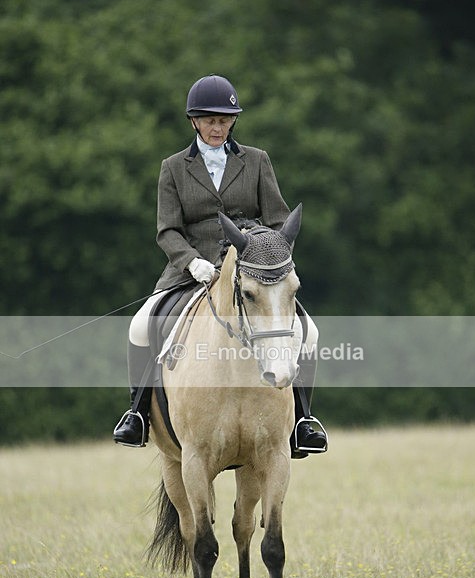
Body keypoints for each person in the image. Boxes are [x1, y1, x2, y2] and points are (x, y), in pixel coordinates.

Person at [113, 74, 327, 456]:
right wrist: (191, 261)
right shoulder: (173, 167)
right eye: (210, 120)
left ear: (233, 121)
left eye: (225, 120)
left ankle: (302, 420)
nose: (218, 128)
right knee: (141, 325)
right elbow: (167, 230)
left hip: (250, 269)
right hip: (192, 270)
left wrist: (269, 256)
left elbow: (279, 220)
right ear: (194, 121)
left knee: (308, 333)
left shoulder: (257, 160)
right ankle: (138, 413)